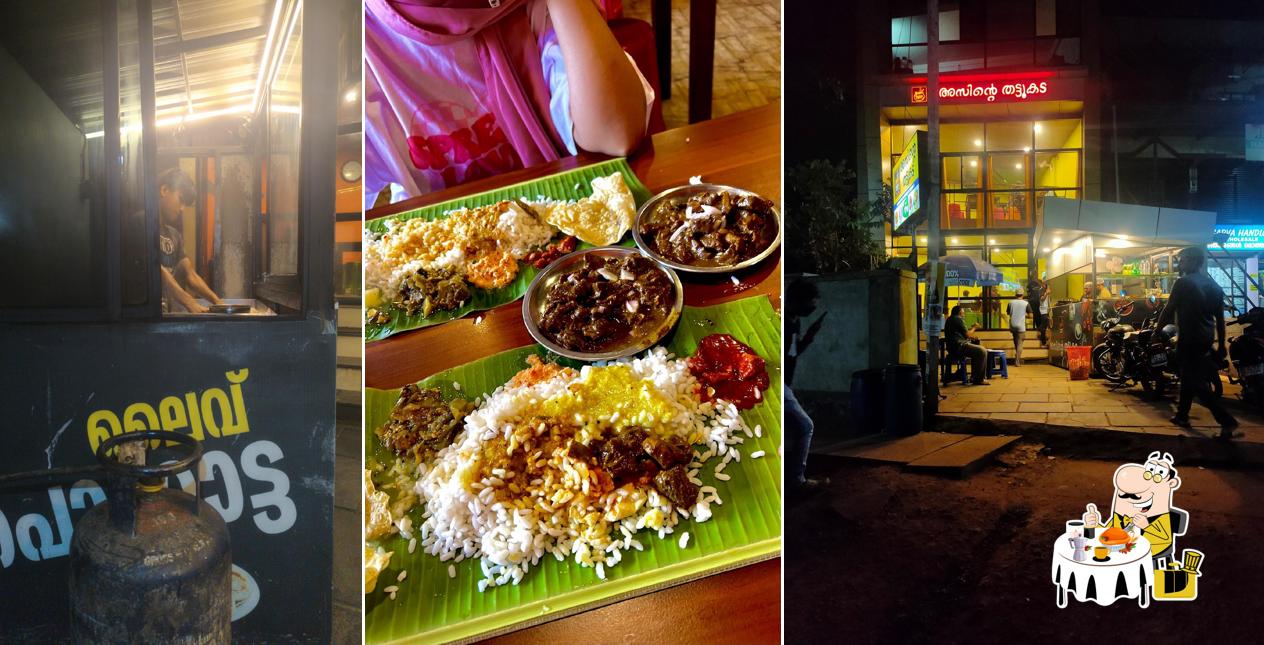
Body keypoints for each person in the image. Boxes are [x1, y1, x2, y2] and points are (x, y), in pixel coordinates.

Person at [364, 0, 655, 206]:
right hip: (441, 258)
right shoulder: (358, 40)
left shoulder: (529, 8)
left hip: (563, 237)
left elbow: (615, 132)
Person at [1156, 246, 1239, 437]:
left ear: (1193, 261)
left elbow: (1168, 310)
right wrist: (1221, 344)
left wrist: (1157, 331)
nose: (1180, 264)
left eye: (1182, 260)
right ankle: (1182, 415)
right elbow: (1219, 318)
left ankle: (1226, 420)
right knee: (1187, 377)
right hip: (1205, 339)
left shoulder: (1183, 283)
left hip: (1189, 339)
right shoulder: (1214, 286)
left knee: (1194, 382)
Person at [1082, 451, 1186, 561]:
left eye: (1158, 474)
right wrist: (1094, 525)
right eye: (1148, 471)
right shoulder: (1121, 516)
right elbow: (1109, 534)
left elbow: (1165, 539)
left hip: (1149, 559)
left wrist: (1147, 526)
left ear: (1171, 483)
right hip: (1125, 555)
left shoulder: (1161, 517)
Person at [158, 168, 222, 314]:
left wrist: (219, 303)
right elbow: (157, 270)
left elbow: (189, 274)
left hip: (166, 314)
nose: (182, 209)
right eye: (180, 200)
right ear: (164, 190)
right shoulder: (141, 226)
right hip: (146, 321)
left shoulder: (174, 235)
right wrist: (189, 302)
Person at [786, 279, 828, 495]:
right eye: (810, 302)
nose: (812, 307)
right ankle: (797, 480)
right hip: (780, 385)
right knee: (805, 426)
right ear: (796, 301)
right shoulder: (783, 321)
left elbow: (793, 352)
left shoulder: (795, 322)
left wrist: (810, 336)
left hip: (787, 385)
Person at [944, 305, 989, 385]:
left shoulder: (949, 319)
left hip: (952, 347)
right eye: (963, 312)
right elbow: (968, 335)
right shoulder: (958, 319)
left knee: (977, 352)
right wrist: (975, 327)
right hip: (959, 346)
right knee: (982, 351)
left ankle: (974, 377)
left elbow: (962, 334)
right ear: (959, 312)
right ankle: (979, 379)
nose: (964, 314)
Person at [1006, 291, 1029, 365]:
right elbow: (1031, 315)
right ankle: (1017, 360)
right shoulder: (1025, 303)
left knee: (1016, 342)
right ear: (1022, 294)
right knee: (1020, 343)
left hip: (1013, 325)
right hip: (1021, 326)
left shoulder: (1010, 302)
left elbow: (1008, 313)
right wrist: (1024, 315)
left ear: (1015, 294)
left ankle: (1017, 356)